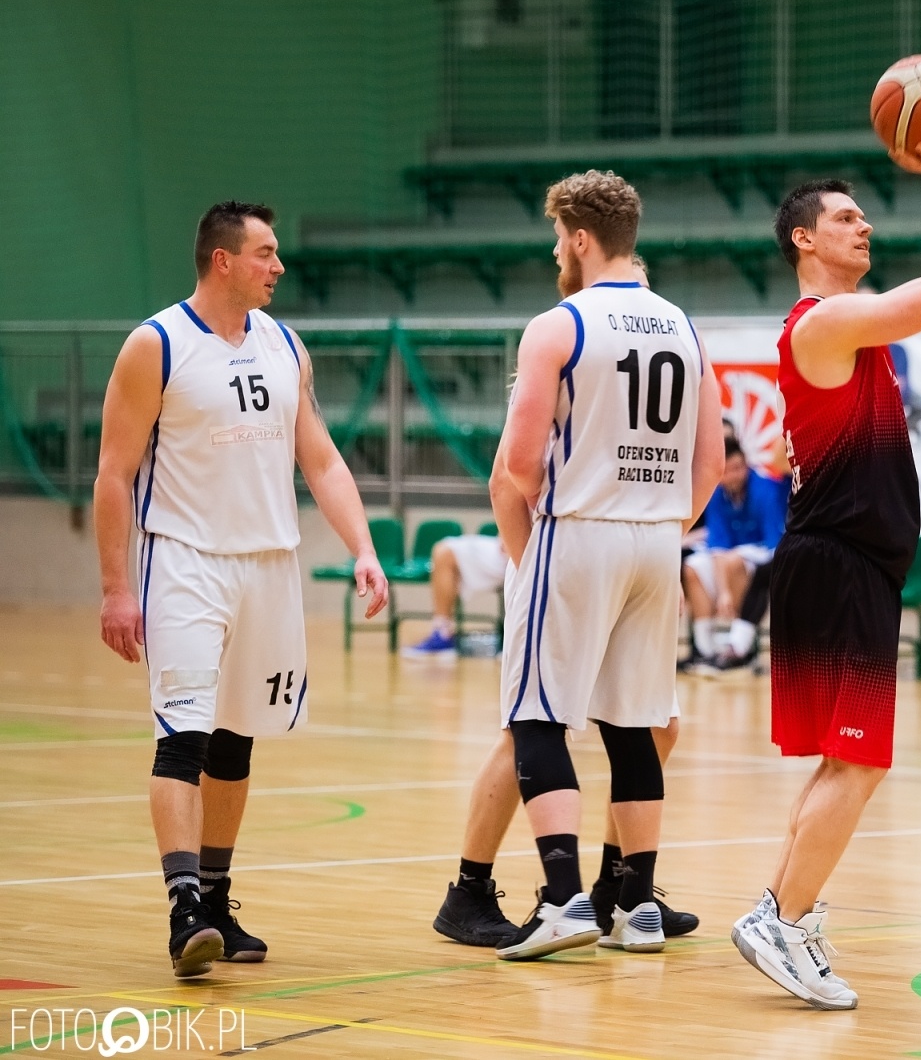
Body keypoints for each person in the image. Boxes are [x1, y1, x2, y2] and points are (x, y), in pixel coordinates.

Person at [730, 101, 921, 1010]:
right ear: (805, 239)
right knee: (864, 761)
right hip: (839, 564)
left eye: (863, 215)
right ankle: (780, 920)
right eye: (845, 217)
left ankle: (782, 914)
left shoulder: (851, 330)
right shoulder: (823, 324)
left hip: (839, 565)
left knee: (844, 763)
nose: (864, 224)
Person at [95, 201, 389, 977]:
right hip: (186, 562)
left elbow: (320, 460)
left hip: (269, 565)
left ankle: (217, 899)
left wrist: (363, 547)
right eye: (265, 252)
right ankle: (183, 904)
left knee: (235, 740)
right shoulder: (155, 345)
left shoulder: (285, 346)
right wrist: (115, 586)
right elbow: (113, 474)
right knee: (182, 738)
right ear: (222, 260)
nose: (279, 266)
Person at [440, 171, 723, 963]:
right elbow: (710, 465)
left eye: (557, 238)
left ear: (579, 238)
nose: (555, 251)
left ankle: (563, 898)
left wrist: (545, 546)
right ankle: (635, 906)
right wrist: (658, 523)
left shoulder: (557, 325)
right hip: (658, 540)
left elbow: (520, 463)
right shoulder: (685, 329)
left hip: (578, 531)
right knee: (635, 724)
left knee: (536, 717)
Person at [683, 434, 788, 672]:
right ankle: (705, 650)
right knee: (692, 568)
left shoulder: (765, 489)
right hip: (730, 554)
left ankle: (738, 649)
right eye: (728, 470)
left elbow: (773, 543)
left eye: (738, 468)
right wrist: (722, 593)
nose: (734, 475)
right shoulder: (717, 495)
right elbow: (718, 547)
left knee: (734, 563)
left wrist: (726, 594)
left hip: (766, 550)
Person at [402, 530, 509, 658]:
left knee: (446, 553)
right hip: (506, 544)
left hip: (524, 548)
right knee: (444, 549)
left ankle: (443, 634)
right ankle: (442, 632)